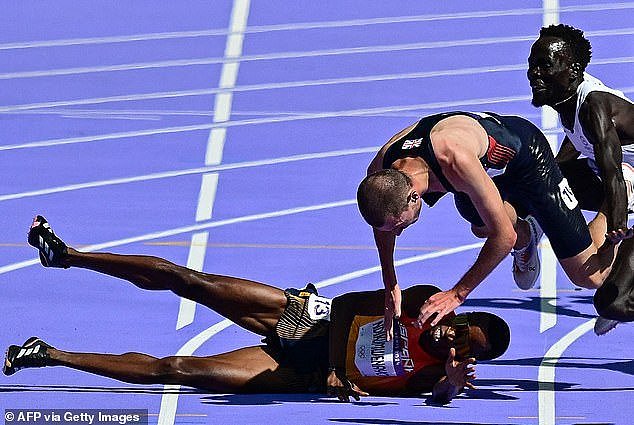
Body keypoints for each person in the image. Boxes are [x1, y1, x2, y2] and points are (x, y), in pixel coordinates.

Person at [4, 216, 510, 404]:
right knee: (191, 280)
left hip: (300, 373)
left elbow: (432, 398)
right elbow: (353, 304)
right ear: (462, 316)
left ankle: (50, 355)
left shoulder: (435, 374)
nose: (454, 340)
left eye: (467, 349)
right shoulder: (425, 300)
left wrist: (445, 386)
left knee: (177, 370)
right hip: (311, 321)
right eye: (463, 330)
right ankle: (67, 256)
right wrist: (339, 365)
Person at [357, 111, 627, 338]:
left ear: (414, 195)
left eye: (400, 226)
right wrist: (390, 283)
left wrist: (457, 294)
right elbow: (383, 226)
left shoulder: (454, 161)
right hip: (489, 172)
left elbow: (503, 237)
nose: (399, 232)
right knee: (480, 224)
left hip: (529, 160)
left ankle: (623, 191)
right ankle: (530, 233)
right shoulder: (380, 172)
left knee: (591, 277)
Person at [527, 24, 634, 334]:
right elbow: (579, 141)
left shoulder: (594, 107)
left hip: (623, 184)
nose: (534, 72)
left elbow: (614, 176)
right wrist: (550, 172)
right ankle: (531, 229)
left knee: (612, 303)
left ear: (571, 70)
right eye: (532, 64)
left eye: (544, 65)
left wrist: (615, 233)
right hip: (617, 180)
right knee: (534, 174)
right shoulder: (568, 97)